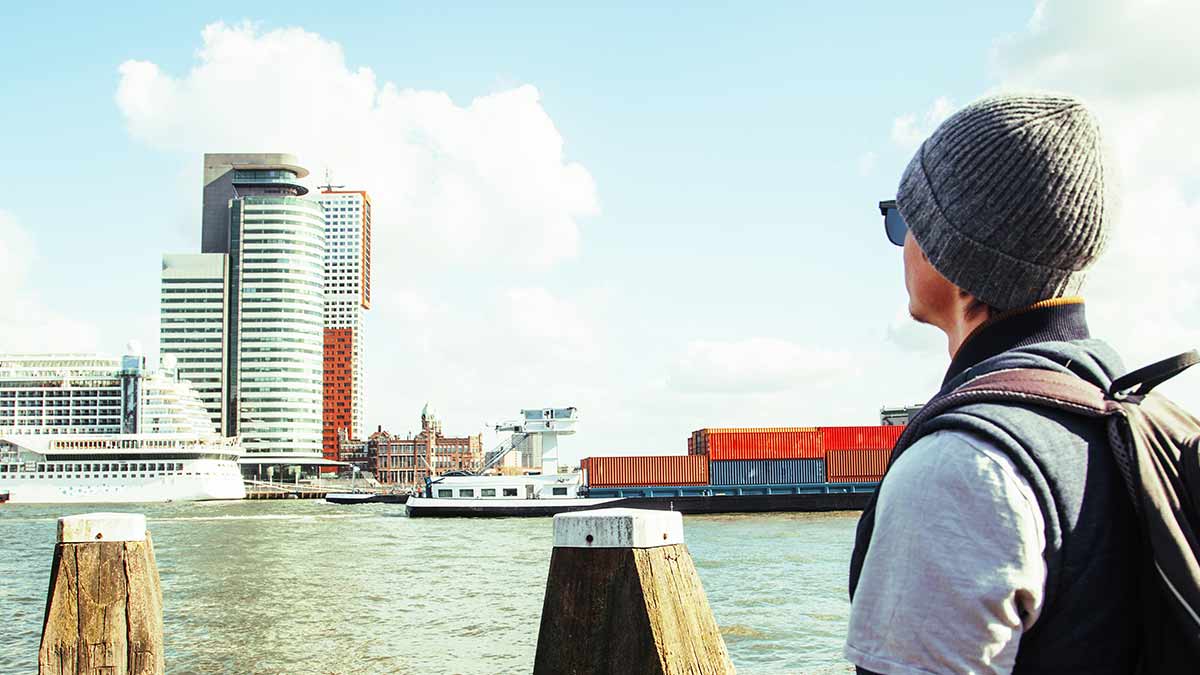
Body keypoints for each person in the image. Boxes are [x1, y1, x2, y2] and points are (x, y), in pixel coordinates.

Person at [845, 94, 1140, 674]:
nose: (901, 244)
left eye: (902, 219)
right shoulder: (1125, 416)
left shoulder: (961, 470)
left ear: (947, 250)